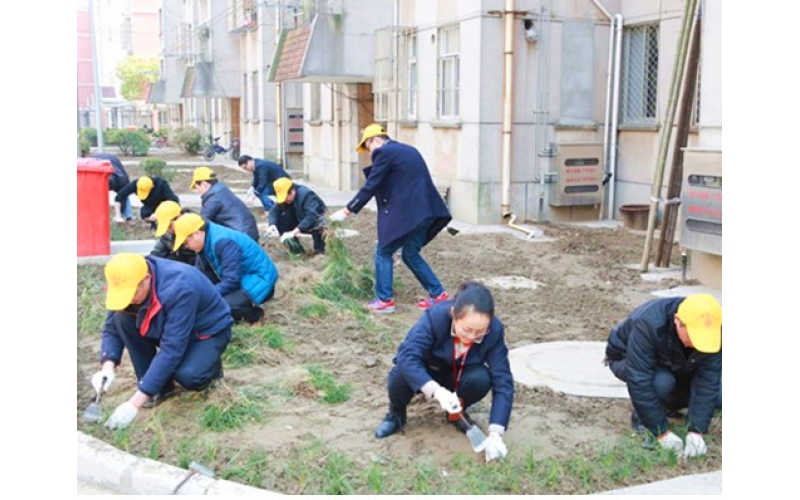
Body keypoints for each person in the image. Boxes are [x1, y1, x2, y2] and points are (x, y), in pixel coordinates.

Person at [373, 281, 514, 462]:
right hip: (428, 372)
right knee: (401, 373)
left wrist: (496, 433)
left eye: (480, 332)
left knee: (482, 378)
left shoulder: (494, 331)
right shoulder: (435, 317)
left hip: (461, 375)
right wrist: (436, 391)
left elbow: (503, 381)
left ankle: (457, 414)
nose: (472, 337)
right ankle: (396, 414)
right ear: (454, 315)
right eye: (467, 329)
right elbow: (407, 356)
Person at [92, 253, 233, 430]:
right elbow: (112, 328)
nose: (129, 299)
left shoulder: (180, 287)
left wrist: (134, 404)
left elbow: (172, 349)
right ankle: (158, 387)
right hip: (168, 325)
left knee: (189, 376)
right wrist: (107, 367)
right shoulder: (127, 274)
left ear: (146, 279)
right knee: (122, 319)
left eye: (133, 293)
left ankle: (210, 368)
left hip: (205, 332)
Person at [329, 123, 452, 313]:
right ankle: (438, 294)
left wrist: (347, 210)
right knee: (410, 253)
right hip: (427, 212)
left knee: (383, 251)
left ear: (376, 140)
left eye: (368, 147)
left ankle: (384, 300)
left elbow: (371, 185)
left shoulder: (384, 153)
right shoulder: (408, 150)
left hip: (410, 214)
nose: (369, 153)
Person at [604, 294, 722, 458]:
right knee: (662, 381)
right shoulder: (649, 323)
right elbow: (639, 378)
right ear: (677, 321)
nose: (698, 344)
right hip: (626, 359)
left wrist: (696, 432)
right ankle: (644, 423)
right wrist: (661, 432)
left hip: (674, 361)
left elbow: (707, 380)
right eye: (694, 336)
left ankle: (667, 405)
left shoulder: (714, 331)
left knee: (720, 396)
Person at [173, 213, 279, 324]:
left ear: (197, 233)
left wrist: (207, 295)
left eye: (186, 242)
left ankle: (255, 315)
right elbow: (200, 273)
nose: (186, 247)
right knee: (201, 286)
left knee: (218, 308)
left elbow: (232, 280)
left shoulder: (222, 242)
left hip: (260, 280)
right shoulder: (206, 239)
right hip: (241, 276)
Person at [190, 166, 259, 242]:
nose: (197, 191)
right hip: (248, 232)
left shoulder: (214, 197)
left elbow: (202, 222)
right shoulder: (221, 191)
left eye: (197, 187)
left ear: (204, 184)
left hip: (240, 237)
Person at [266, 178, 328, 255]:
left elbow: (312, 215)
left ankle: (319, 250)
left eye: (285, 197)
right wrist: (272, 224)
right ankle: (296, 250)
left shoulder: (306, 195)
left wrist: (296, 230)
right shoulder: (285, 199)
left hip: (314, 221)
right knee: (279, 221)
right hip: (298, 219)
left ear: (292, 191)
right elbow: (274, 211)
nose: (285, 200)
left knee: (319, 224)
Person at [113, 175, 179, 226]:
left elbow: (173, 201)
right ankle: (154, 221)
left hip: (165, 205)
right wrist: (118, 216)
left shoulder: (161, 183)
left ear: (152, 187)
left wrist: (159, 213)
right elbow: (119, 197)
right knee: (144, 213)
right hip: (151, 206)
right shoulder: (136, 184)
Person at [150, 200, 198, 266]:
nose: (168, 230)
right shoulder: (167, 234)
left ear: (179, 216)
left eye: (169, 226)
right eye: (165, 227)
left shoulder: (196, 229)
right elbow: (157, 253)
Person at [91, 152, 133, 222]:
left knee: (124, 194)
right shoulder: (97, 180)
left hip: (113, 161)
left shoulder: (122, 180)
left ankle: (128, 216)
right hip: (96, 160)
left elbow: (123, 197)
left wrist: (119, 213)